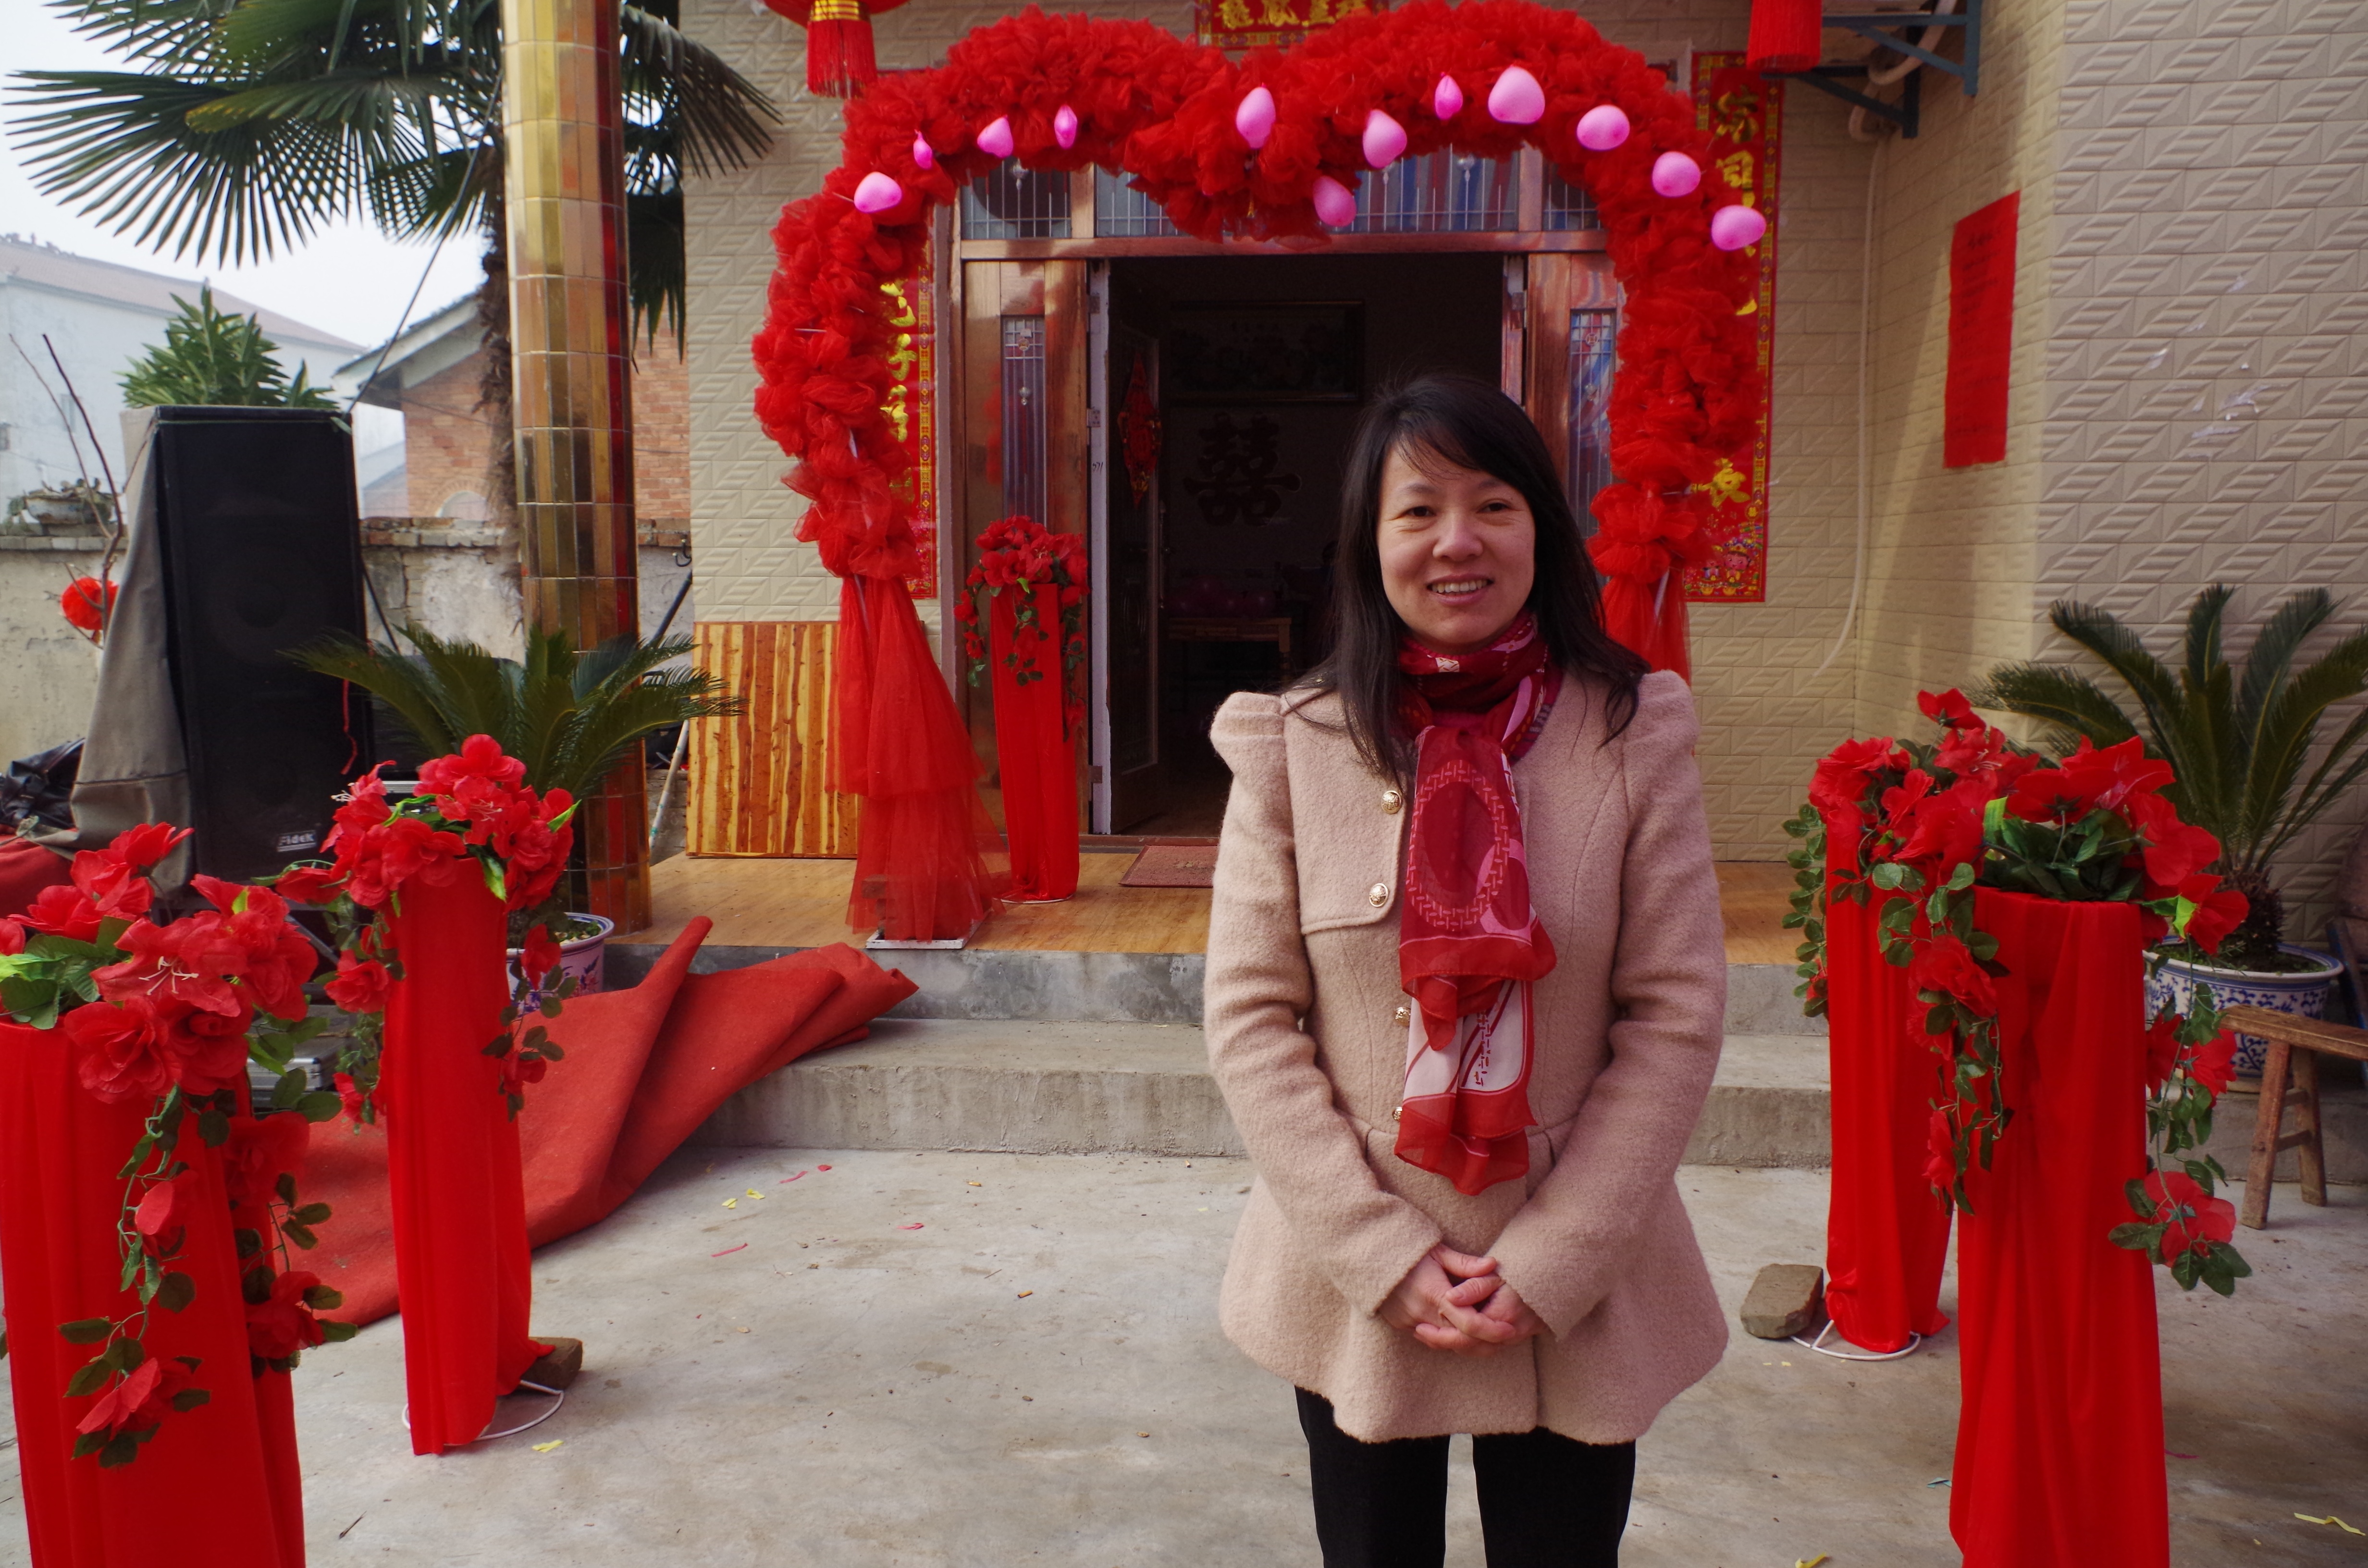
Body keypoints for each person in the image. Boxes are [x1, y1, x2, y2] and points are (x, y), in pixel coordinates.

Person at [1204, 373, 1728, 1568]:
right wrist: (1376, 1255)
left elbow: (1676, 1013)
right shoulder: (1296, 742)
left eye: (1492, 504)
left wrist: (1556, 1260)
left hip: (1576, 1270)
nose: (1457, 542)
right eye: (1418, 510)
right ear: (1368, 542)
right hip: (1358, 1273)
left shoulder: (1631, 730)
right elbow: (1251, 1019)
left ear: (1540, 529)